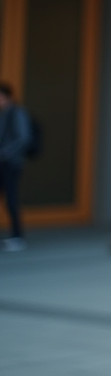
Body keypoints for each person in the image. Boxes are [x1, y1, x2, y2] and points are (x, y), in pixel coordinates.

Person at [0, 82, 33, 252]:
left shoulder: (17, 113)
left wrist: (4, 153)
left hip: (11, 163)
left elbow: (23, 139)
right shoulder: (3, 113)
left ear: (7, 96)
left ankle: (17, 237)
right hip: (2, 162)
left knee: (11, 199)